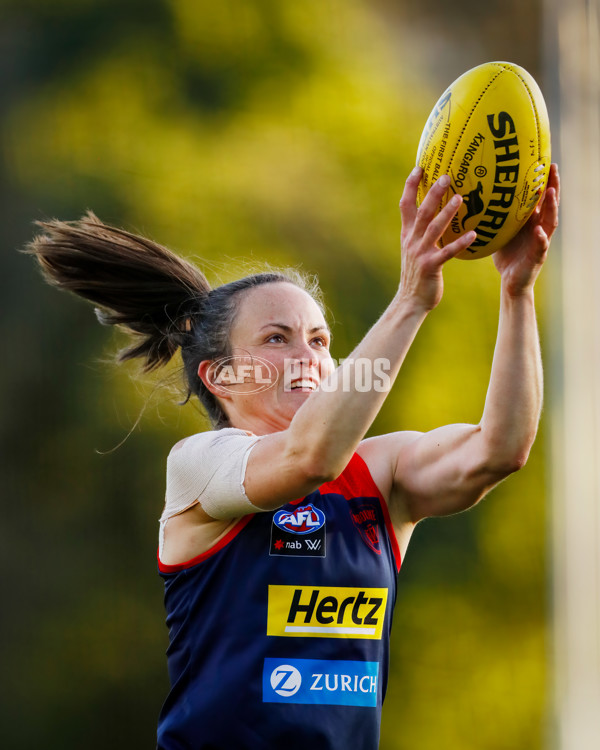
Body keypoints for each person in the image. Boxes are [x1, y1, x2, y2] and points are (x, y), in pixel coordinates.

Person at [25, 164, 560, 750]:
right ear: (221, 377)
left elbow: (500, 450)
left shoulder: (380, 474)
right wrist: (410, 299)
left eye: (320, 341)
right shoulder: (201, 466)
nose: (307, 355)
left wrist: (518, 290)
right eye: (276, 339)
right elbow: (311, 457)